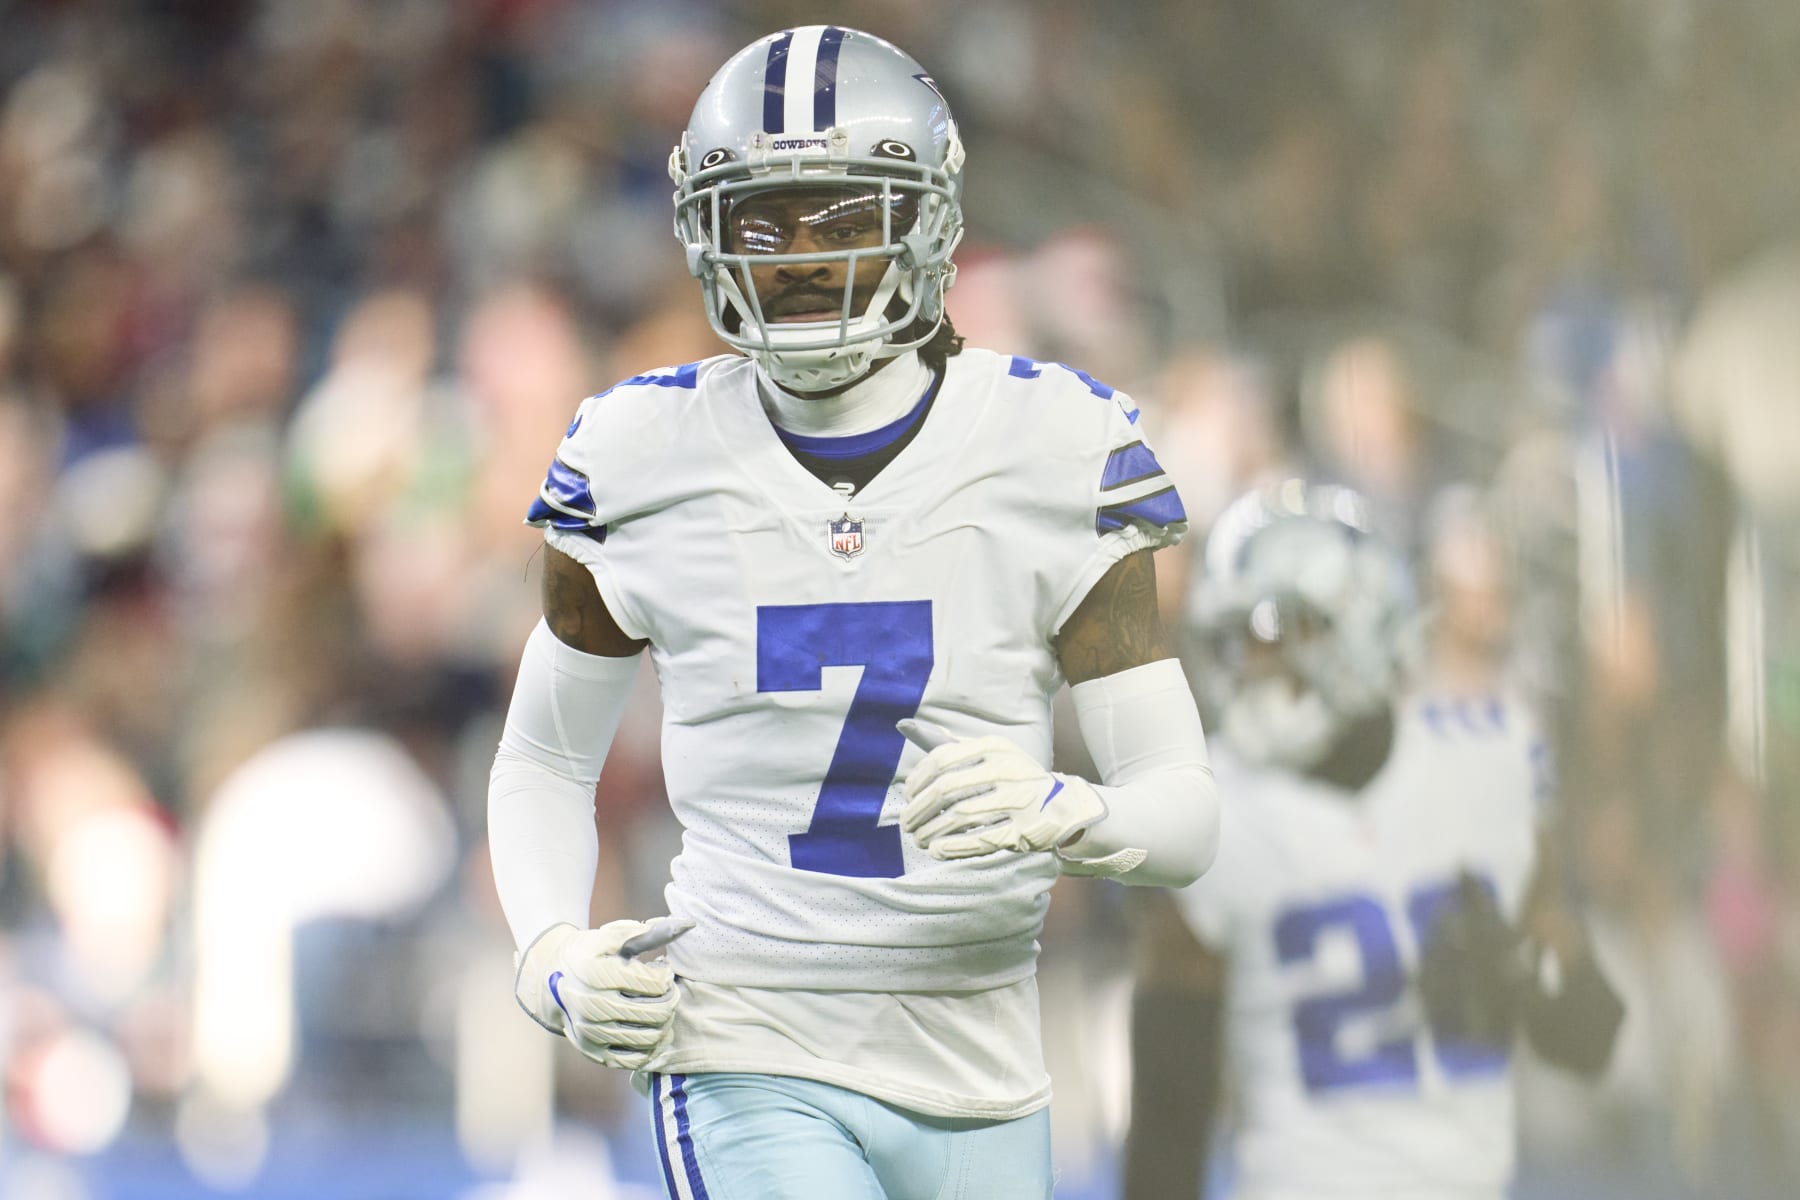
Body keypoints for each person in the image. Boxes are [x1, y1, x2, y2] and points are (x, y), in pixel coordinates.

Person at [486, 26, 1221, 1200]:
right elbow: (544, 755)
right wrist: (548, 952)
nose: (798, 257)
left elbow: (1184, 812)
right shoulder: (639, 455)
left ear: (928, 218)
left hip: (981, 1056)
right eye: (761, 222)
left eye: (841, 214)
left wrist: (1071, 812)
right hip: (745, 1036)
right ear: (704, 233)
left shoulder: (1056, 446)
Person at [1122, 481, 1625, 1200]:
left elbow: (1589, 1038)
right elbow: (1170, 1122)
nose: (1247, 664)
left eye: (1273, 632)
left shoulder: (1488, 764)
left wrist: (1521, 966)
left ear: (1358, 622)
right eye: (1234, 640)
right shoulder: (1210, 811)